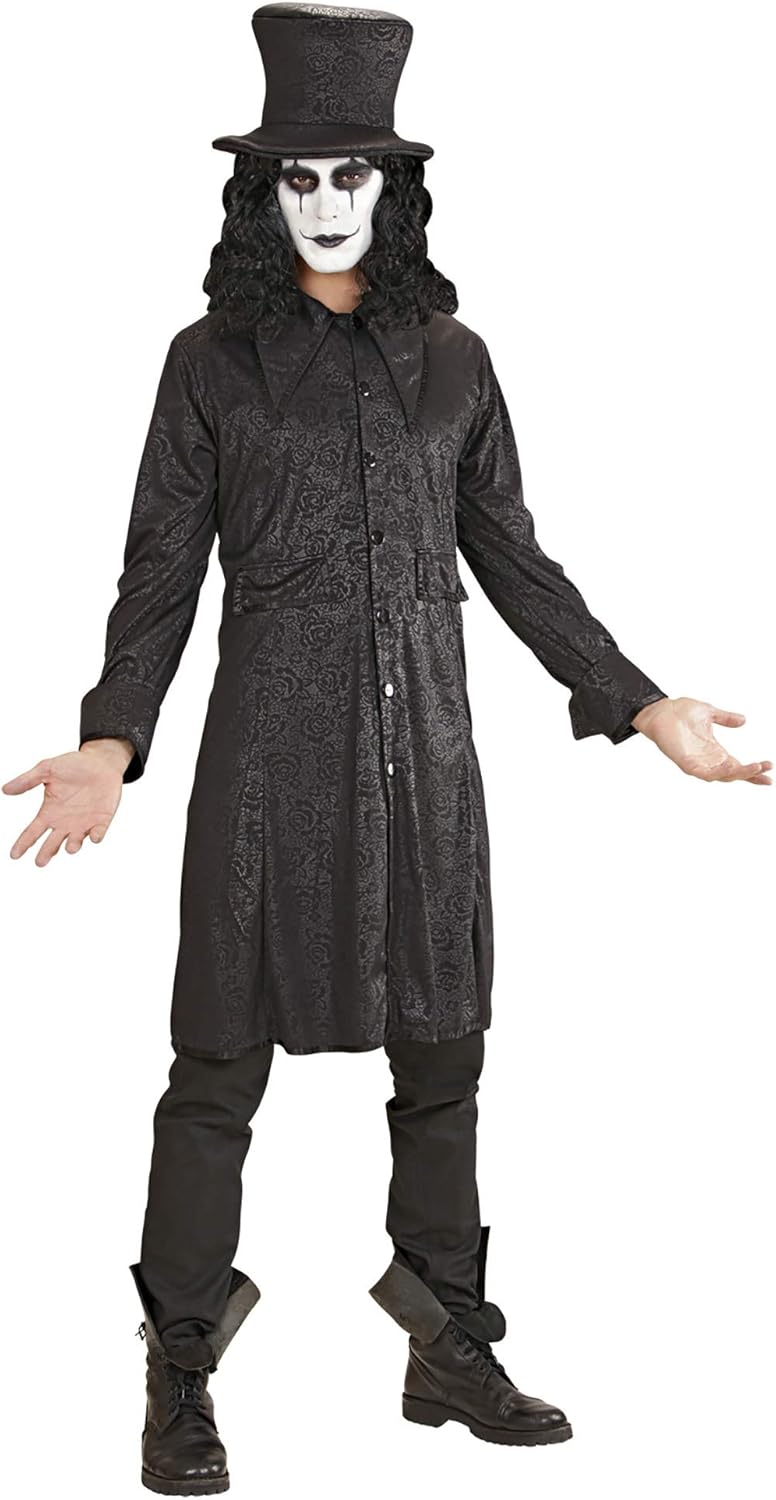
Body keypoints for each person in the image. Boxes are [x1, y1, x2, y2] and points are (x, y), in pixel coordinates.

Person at [3, 5, 771, 1492]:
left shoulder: (457, 361)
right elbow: (159, 573)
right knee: (214, 1071)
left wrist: (639, 700)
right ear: (261, 194)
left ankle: (446, 1344)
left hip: (427, 754)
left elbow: (515, 557)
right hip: (264, 766)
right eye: (296, 177)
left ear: (395, 188)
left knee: (444, 1056)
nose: (325, 201)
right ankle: (178, 1366)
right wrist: (109, 739)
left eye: (351, 173)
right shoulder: (209, 362)